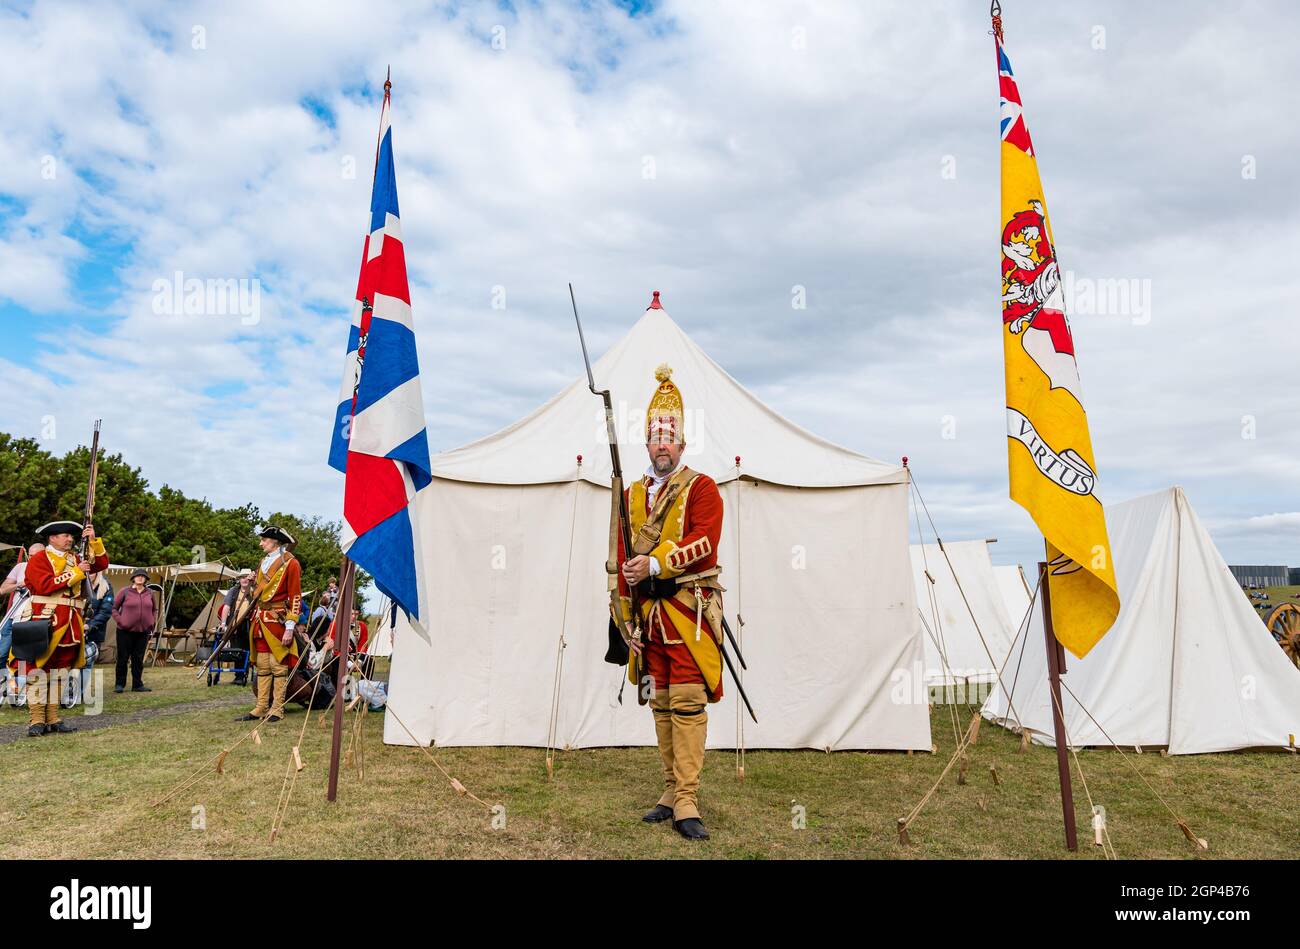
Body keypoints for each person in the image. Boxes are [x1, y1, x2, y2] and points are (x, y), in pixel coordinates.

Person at [612, 365, 725, 841]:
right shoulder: (633, 493)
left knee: (687, 701)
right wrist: (624, 618)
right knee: (658, 703)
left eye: (670, 439)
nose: (663, 446)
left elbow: (705, 543)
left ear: (682, 444)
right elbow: (620, 556)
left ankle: (687, 799)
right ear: (648, 445)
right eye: (656, 439)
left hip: (689, 609)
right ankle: (668, 790)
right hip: (649, 617)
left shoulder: (701, 487)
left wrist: (654, 565)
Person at [13, 521, 109, 737]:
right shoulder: (39, 559)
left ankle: (54, 718)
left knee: (61, 671)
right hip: (46, 621)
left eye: (70, 536)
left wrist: (93, 539)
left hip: (70, 625)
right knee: (37, 670)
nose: (70, 539)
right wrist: (76, 572)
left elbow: (101, 564)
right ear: (52, 538)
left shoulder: (75, 559)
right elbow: (43, 585)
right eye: (65, 535)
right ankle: (37, 720)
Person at [237, 526, 302, 723]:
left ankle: (277, 708)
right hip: (259, 619)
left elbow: (295, 597)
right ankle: (261, 707)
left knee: (278, 666)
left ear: (275, 541)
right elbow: (260, 593)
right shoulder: (263, 563)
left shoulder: (291, 564)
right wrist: (251, 585)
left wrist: (290, 627)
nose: (261, 543)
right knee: (263, 666)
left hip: (277, 620)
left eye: (264, 540)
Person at [0, 543, 43, 700]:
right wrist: (20, 584)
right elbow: (3, 589)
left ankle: (22, 690)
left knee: (24, 658)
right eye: (30, 555)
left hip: (31, 620)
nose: (32, 559)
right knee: (2, 654)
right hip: (13, 618)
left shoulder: (48, 570)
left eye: (36, 556)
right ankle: (6, 684)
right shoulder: (20, 568)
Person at [66, 571, 112, 707]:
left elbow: (105, 611)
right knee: (68, 662)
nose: (89, 574)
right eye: (87, 572)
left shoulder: (105, 587)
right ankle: (67, 693)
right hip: (72, 630)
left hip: (92, 633)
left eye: (92, 572)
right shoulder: (76, 584)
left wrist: (89, 625)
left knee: (86, 664)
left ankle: (79, 694)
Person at [111, 569, 156, 693]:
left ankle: (137, 684)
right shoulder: (125, 592)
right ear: (133, 578)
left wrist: (152, 622)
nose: (140, 578)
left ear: (146, 579)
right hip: (124, 631)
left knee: (138, 658)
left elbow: (154, 610)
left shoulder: (150, 593)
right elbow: (114, 608)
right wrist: (121, 621)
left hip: (143, 631)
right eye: (138, 576)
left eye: (143, 576)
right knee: (123, 658)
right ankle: (120, 684)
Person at [217, 569, 254, 685]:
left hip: (249, 624)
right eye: (242, 577)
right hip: (234, 625)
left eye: (246, 577)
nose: (244, 579)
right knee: (237, 651)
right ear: (239, 579)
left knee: (247, 650)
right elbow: (226, 607)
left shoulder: (254, 591)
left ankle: (245, 674)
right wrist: (223, 623)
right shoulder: (233, 591)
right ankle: (239, 676)